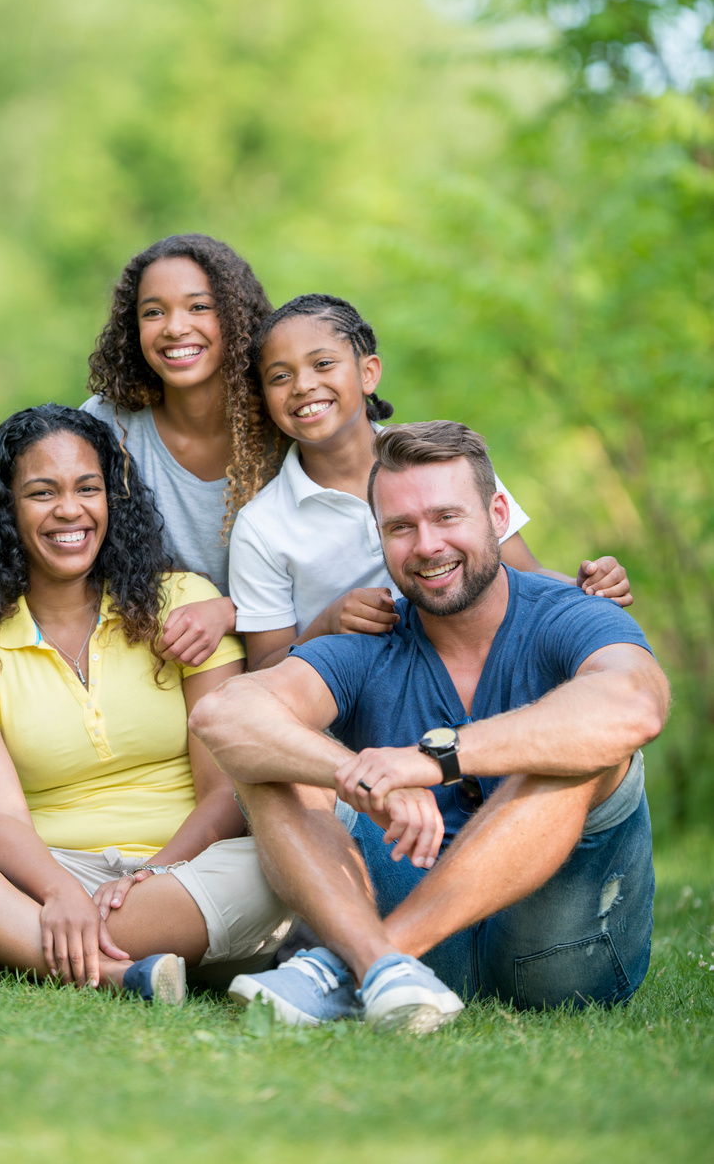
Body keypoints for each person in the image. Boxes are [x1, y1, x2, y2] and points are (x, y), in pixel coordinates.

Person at [191, 421, 667, 1031]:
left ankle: (357, 963)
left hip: (560, 958)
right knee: (268, 760)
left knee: (577, 748)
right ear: (380, 537)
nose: (426, 545)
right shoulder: (368, 643)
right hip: (422, 960)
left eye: (447, 517)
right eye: (401, 527)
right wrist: (351, 773)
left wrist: (433, 759)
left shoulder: (567, 614)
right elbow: (223, 714)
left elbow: (635, 705)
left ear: (498, 513)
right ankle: (385, 967)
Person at [0, 406, 292, 1003]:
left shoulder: (183, 604)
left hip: (187, 874)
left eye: (88, 488)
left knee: (289, 849)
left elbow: (223, 794)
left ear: (113, 500)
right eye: (41, 492)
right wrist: (58, 892)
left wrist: (151, 874)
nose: (69, 510)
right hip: (43, 874)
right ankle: (114, 969)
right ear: (7, 509)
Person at [0, 234, 282, 702]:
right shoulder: (109, 424)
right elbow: (47, 522)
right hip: (167, 673)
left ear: (237, 317)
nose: (174, 328)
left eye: (199, 307)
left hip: (288, 654)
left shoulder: (284, 422)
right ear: (133, 329)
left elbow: (327, 563)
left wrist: (230, 612)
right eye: (153, 312)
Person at [228, 294, 633, 672]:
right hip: (360, 718)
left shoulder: (446, 460)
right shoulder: (262, 526)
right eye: (280, 376)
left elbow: (525, 573)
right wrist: (327, 624)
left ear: (368, 373)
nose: (302, 385)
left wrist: (588, 586)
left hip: (482, 679)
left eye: (322, 364)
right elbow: (264, 668)